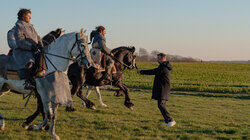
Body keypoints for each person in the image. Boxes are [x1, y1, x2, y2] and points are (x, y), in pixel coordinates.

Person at [136, 53, 176, 127]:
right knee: (161, 105)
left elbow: (154, 71)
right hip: (162, 87)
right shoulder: (164, 65)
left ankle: (170, 120)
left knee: (161, 105)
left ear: (163, 58)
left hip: (163, 88)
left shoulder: (164, 67)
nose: (157, 60)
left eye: (158, 58)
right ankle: (167, 121)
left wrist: (141, 71)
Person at [13, 8, 43, 89]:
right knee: (30, 62)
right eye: (28, 16)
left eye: (30, 16)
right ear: (23, 17)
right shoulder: (18, 27)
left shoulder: (31, 26)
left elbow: (37, 37)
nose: (30, 18)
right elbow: (20, 41)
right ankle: (28, 82)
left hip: (34, 49)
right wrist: (32, 47)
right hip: (23, 51)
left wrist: (40, 44)